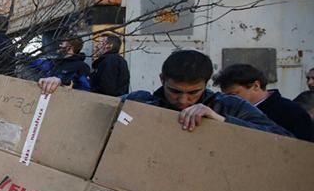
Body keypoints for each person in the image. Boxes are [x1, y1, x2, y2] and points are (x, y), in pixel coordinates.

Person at [123, 50, 290, 135]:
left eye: (193, 92)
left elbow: (284, 140)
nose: (183, 100)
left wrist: (221, 120)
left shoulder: (229, 106)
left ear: (206, 83)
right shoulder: (139, 101)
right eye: (175, 91)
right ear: (162, 80)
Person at [213, 63, 313, 140]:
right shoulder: (228, 109)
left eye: (234, 94)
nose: (230, 100)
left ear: (256, 86)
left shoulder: (292, 111)